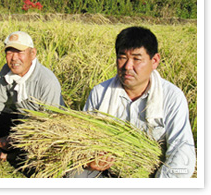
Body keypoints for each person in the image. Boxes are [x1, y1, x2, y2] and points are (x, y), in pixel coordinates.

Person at [72, 26, 196, 178]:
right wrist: (89, 160)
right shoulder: (100, 92)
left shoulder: (171, 97)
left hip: (151, 175)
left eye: (137, 59)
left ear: (154, 60)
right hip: (105, 173)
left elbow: (181, 150)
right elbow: (83, 138)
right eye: (122, 57)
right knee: (73, 175)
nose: (127, 66)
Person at [0, 31, 64, 165]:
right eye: (9, 52)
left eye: (20, 52)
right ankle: (10, 150)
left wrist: (17, 139)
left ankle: (9, 155)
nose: (14, 58)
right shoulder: (6, 72)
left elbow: (48, 123)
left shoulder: (47, 81)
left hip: (44, 130)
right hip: (23, 121)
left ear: (33, 53)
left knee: (43, 156)